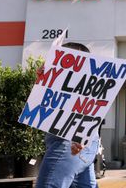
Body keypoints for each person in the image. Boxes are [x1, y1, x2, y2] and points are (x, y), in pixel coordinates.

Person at [36, 42, 100, 188]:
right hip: (76, 145)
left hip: (68, 143)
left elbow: (87, 108)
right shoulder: (71, 83)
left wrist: (81, 137)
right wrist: (41, 80)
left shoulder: (78, 84)